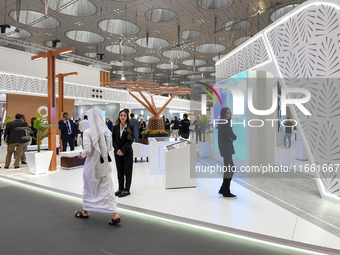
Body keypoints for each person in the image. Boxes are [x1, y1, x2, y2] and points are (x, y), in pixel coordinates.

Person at [76, 108, 121, 225]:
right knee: (107, 187)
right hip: (104, 164)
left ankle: (85, 211)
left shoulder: (87, 132)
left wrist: (82, 155)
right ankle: (114, 213)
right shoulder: (107, 132)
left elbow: (87, 149)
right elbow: (110, 148)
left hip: (92, 165)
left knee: (89, 187)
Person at [112, 109, 134, 198]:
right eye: (121, 115)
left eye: (124, 115)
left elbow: (130, 141)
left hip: (127, 152)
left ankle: (127, 189)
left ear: (127, 117)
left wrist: (122, 150)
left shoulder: (130, 127)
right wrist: (117, 150)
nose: (123, 117)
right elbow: (113, 140)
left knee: (127, 171)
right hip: (117, 153)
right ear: (119, 116)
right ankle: (120, 188)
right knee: (119, 171)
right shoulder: (115, 127)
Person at [218, 107, 237, 199]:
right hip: (226, 148)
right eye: (227, 113)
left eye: (230, 113)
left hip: (225, 148)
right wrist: (232, 137)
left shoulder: (223, 123)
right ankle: (226, 191)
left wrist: (231, 137)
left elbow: (231, 136)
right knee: (230, 169)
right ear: (224, 114)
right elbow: (233, 136)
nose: (229, 115)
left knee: (229, 169)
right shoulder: (225, 123)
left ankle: (223, 189)